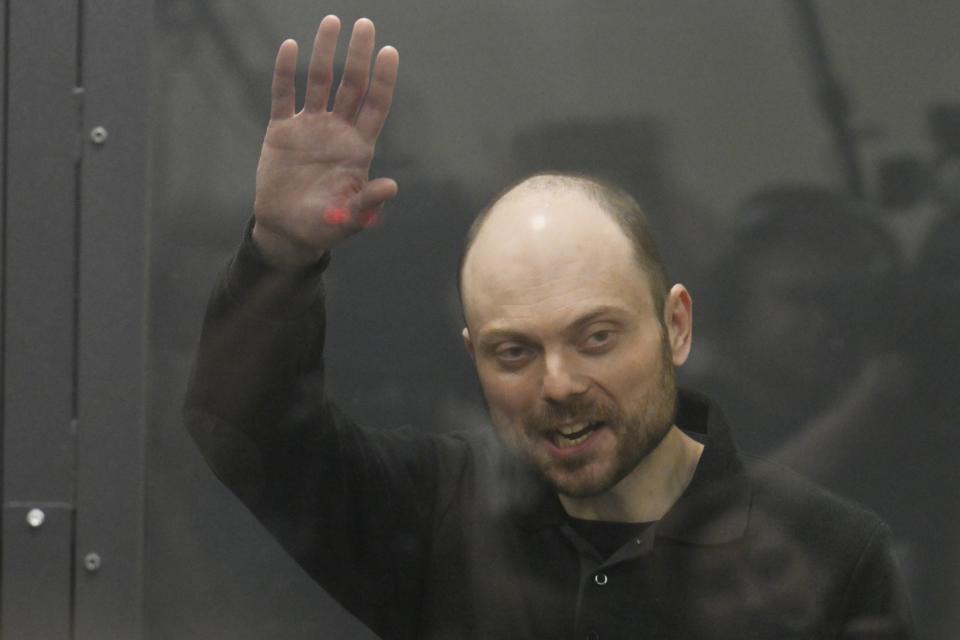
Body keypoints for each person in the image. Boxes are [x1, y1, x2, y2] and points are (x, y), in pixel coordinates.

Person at [185, 15, 914, 639]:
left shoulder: (828, 555)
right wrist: (281, 252)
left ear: (677, 328)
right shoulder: (441, 517)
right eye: (514, 352)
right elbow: (247, 431)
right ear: (473, 359)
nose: (558, 384)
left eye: (596, 337)